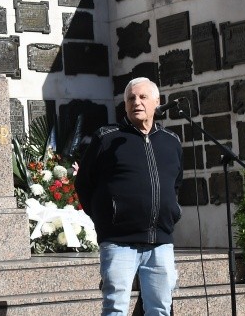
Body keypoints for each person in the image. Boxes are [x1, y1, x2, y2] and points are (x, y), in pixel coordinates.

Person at [75, 77, 183, 316]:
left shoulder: (171, 141)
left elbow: (175, 184)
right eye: (131, 98)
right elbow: (84, 183)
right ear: (124, 105)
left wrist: (171, 212)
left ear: (157, 102)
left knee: (160, 309)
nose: (137, 102)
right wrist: (106, 218)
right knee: (115, 308)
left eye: (143, 97)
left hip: (160, 241)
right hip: (119, 241)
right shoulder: (107, 138)